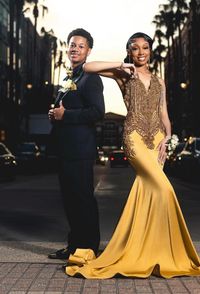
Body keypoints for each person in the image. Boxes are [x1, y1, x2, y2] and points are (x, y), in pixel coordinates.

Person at [65, 32, 200, 278]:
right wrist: (120, 64)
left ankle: (152, 249)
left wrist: (168, 139)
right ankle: (149, 249)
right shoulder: (124, 75)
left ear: (150, 51)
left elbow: (164, 114)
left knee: (149, 190)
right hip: (135, 137)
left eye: (145, 47)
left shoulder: (159, 81)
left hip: (158, 140)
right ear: (129, 52)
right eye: (135, 48)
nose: (140, 52)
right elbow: (89, 67)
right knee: (164, 189)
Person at [48, 28, 105, 260]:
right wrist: (55, 114)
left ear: (88, 51)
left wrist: (66, 115)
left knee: (82, 199)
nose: (75, 48)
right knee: (70, 199)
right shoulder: (69, 77)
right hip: (65, 148)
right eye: (72, 44)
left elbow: (97, 112)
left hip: (81, 149)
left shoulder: (91, 78)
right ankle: (74, 246)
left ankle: (89, 248)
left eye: (81, 46)